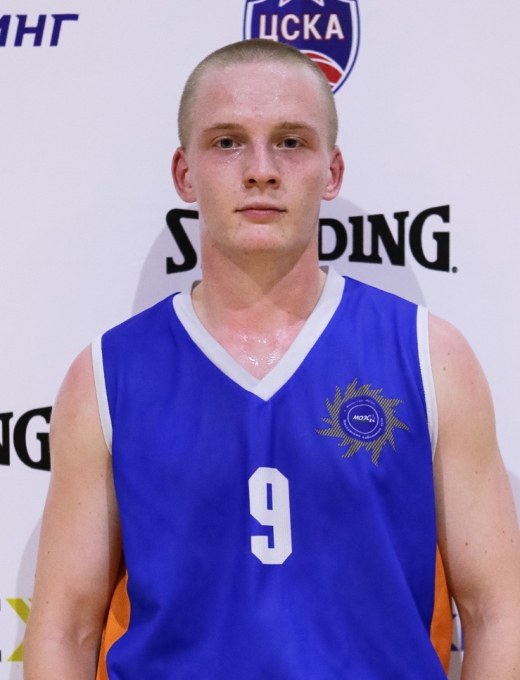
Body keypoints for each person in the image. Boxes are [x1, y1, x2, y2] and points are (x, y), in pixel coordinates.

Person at [24, 39, 520, 679]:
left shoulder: (431, 356)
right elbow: (65, 627)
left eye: (291, 141)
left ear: (332, 171)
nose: (261, 169)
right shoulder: (106, 376)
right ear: (184, 173)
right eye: (228, 142)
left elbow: (495, 610)